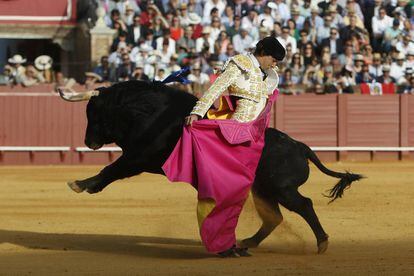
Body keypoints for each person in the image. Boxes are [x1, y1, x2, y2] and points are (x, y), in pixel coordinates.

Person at [163, 36, 285, 258]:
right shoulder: (239, 65)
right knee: (225, 192)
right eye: (274, 59)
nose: (275, 64)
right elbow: (216, 88)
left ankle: (227, 241)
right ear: (264, 52)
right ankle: (219, 242)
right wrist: (197, 111)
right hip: (233, 138)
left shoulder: (263, 74)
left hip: (251, 141)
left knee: (238, 195)